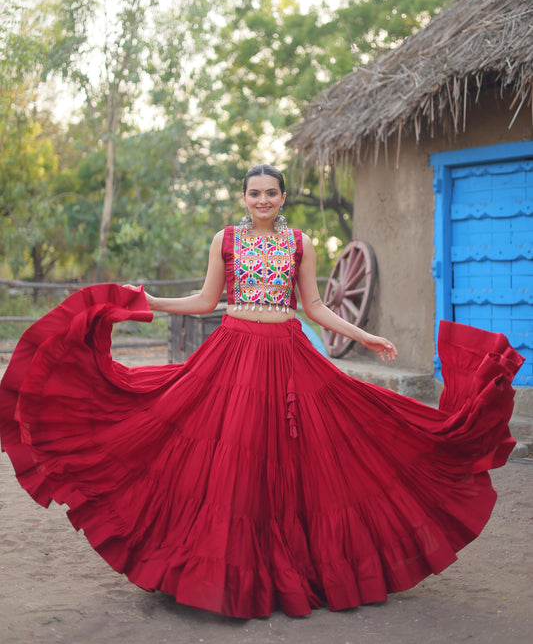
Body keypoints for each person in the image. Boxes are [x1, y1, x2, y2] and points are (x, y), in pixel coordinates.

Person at [0, 164, 523, 620]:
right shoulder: (225, 240)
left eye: (272, 192)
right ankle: (223, 575)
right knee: (231, 457)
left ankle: (290, 569)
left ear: (283, 198)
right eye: (255, 193)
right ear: (243, 198)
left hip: (288, 354)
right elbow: (207, 301)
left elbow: (314, 306)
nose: (264, 200)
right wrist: (149, 300)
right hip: (233, 354)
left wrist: (364, 335)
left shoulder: (300, 243)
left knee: (302, 454)